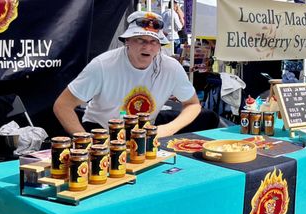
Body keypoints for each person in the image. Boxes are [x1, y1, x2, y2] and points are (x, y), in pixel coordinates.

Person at [53, 10, 201, 138]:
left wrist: (168, 128)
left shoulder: (171, 68)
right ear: (127, 41)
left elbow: (193, 104)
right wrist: (86, 141)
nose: (148, 47)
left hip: (143, 135)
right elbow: (63, 105)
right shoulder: (103, 65)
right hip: (101, 131)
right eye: (140, 40)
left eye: (154, 41)